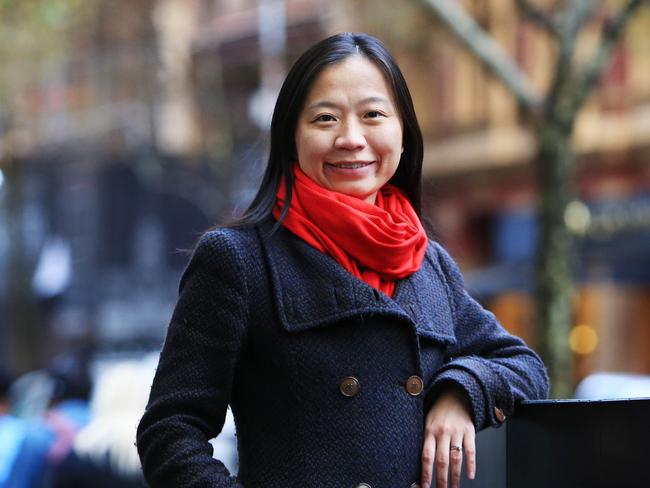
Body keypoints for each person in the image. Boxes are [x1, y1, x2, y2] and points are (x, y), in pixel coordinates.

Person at [137, 32, 549, 488]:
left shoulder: (429, 263)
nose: (351, 139)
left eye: (373, 115)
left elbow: (525, 367)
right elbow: (170, 431)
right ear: (291, 135)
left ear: (404, 132)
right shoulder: (238, 260)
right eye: (325, 118)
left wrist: (460, 390)